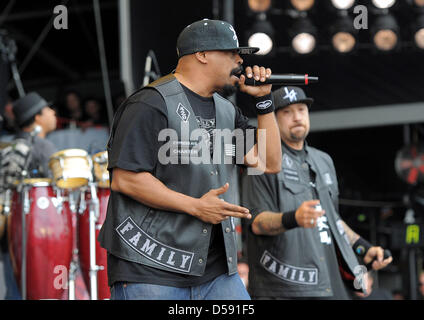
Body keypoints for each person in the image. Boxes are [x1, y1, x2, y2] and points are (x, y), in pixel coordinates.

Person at [98, 18, 282, 300]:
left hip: (215, 272)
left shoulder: (225, 111)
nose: (239, 62)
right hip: (151, 267)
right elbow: (126, 180)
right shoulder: (149, 103)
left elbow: (268, 163)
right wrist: (196, 207)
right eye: (232, 53)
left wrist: (264, 103)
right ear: (202, 54)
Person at [241, 86, 392, 300]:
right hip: (285, 287)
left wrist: (362, 247)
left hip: (329, 282)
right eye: (287, 112)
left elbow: (331, 218)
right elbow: (256, 222)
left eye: (301, 110)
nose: (296, 117)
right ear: (273, 120)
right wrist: (293, 218)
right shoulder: (260, 160)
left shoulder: (323, 160)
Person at [1, 92, 57, 300]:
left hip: (10, 231)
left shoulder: (11, 146)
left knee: (14, 289)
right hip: (38, 232)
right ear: (37, 118)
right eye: (48, 109)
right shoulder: (43, 148)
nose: (53, 113)